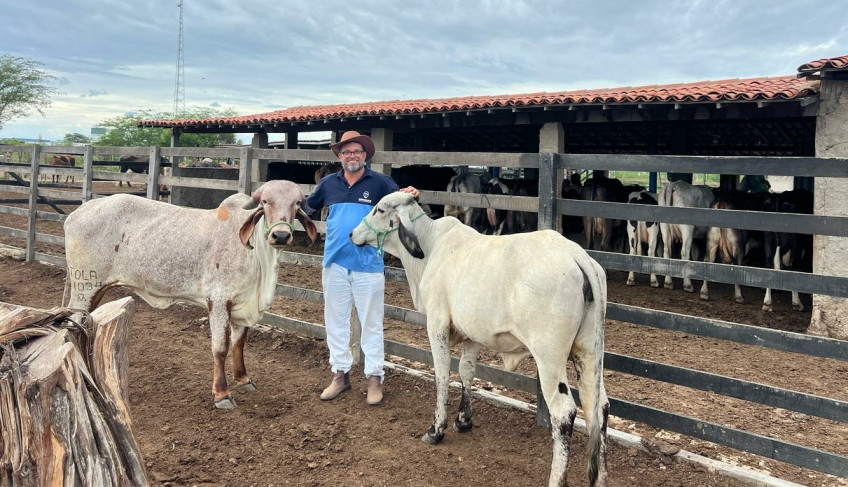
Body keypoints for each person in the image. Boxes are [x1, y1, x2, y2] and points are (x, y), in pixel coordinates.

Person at [303, 131, 418, 405]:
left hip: (368, 264)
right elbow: (308, 206)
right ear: (340, 156)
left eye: (356, 152)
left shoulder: (380, 183)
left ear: (364, 155)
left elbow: (402, 204)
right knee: (335, 322)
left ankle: (374, 378)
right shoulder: (329, 183)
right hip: (335, 263)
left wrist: (412, 194)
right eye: (346, 152)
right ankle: (340, 375)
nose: (352, 156)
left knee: (371, 323)